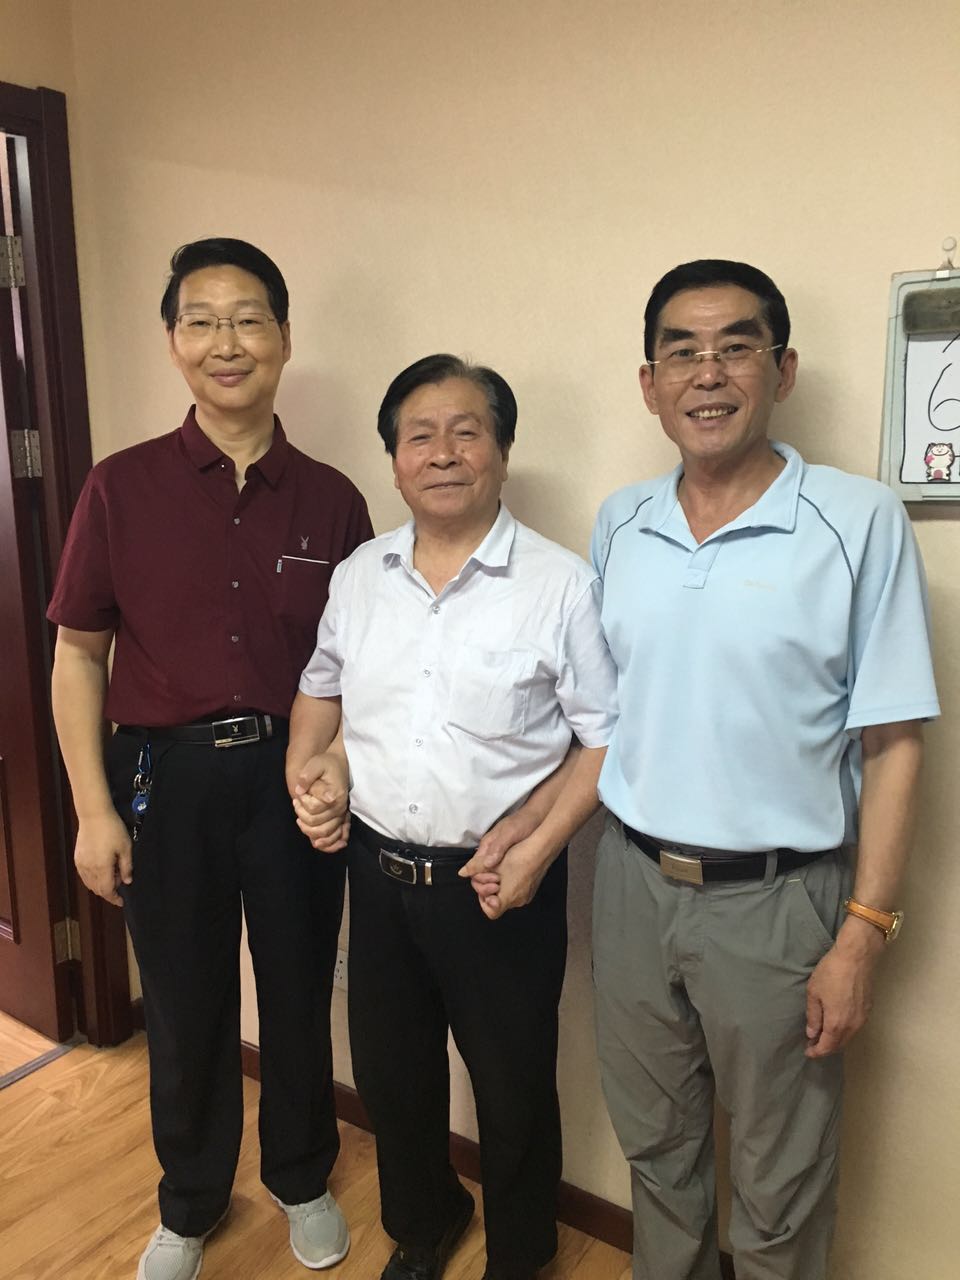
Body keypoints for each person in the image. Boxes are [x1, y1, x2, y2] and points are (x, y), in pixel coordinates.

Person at [583, 259, 939, 1279]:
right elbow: (606, 717)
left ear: (781, 371)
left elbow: (894, 742)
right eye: (681, 352)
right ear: (649, 383)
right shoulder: (620, 522)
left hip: (780, 903)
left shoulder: (856, 520)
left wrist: (863, 933)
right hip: (632, 885)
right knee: (658, 1154)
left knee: (782, 1183)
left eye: (736, 347)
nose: (708, 373)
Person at [47, 238, 373, 1280]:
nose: (226, 342)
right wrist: (94, 811)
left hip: (292, 777)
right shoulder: (120, 486)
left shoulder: (332, 498)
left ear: (284, 337)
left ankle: (302, 1177)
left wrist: (340, 763)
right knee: (184, 1005)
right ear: (174, 341)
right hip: (163, 780)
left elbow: (362, 664)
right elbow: (77, 656)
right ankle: (188, 1201)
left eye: (248, 319)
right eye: (202, 320)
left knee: (297, 992)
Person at [287, 354, 618, 1280]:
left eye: (466, 432)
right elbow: (321, 690)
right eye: (419, 435)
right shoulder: (360, 575)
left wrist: (541, 850)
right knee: (392, 1079)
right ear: (394, 461)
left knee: (513, 1091)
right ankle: (424, 1223)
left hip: (498, 883)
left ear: (502, 453)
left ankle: (520, 1253)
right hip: (377, 875)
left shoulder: (560, 584)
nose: (442, 453)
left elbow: (606, 739)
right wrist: (309, 773)